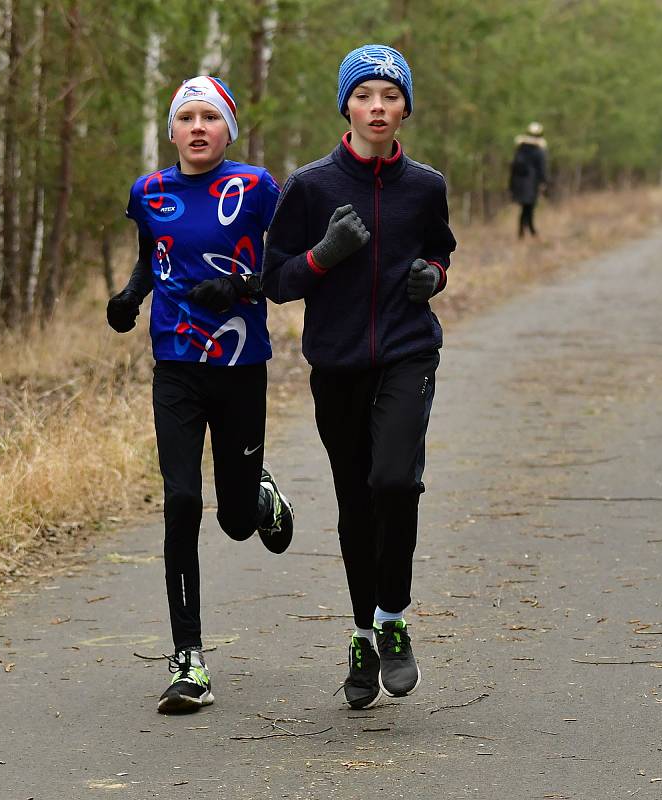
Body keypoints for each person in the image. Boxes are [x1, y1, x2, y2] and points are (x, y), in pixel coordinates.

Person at [262, 45, 456, 710]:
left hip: (407, 352)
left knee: (394, 482)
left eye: (390, 96)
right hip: (337, 364)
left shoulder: (425, 185)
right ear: (345, 105)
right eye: (365, 95)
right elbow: (276, 279)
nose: (378, 107)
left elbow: (439, 247)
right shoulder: (311, 187)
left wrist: (433, 275)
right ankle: (359, 635)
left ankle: (392, 618)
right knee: (355, 503)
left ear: (404, 109)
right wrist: (322, 256)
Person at [106, 75, 294, 714]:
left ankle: (256, 493)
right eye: (185, 116)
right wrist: (133, 298)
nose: (196, 127)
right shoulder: (149, 192)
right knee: (182, 498)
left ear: (226, 130)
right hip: (177, 367)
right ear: (172, 129)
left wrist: (243, 286)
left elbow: (285, 267)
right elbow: (151, 258)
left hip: (241, 364)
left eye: (209, 117)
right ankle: (189, 659)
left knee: (236, 523)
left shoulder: (256, 189)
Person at [509, 121, 548, 238]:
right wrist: (543, 182)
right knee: (529, 208)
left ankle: (526, 232)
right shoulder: (539, 150)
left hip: (519, 183)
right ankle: (529, 232)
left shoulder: (520, 148)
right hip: (531, 183)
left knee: (525, 208)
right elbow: (542, 168)